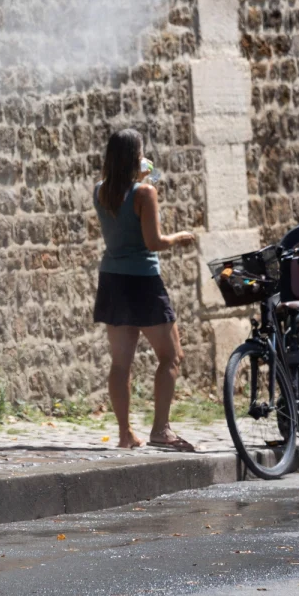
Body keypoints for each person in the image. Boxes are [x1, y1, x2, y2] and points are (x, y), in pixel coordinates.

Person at [93, 129, 197, 452]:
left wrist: (141, 180)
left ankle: (125, 433)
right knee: (171, 357)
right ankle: (160, 429)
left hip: (112, 281)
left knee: (120, 363)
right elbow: (154, 242)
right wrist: (180, 237)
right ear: (136, 157)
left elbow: (123, 198)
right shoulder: (145, 194)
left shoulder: (100, 192)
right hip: (143, 282)